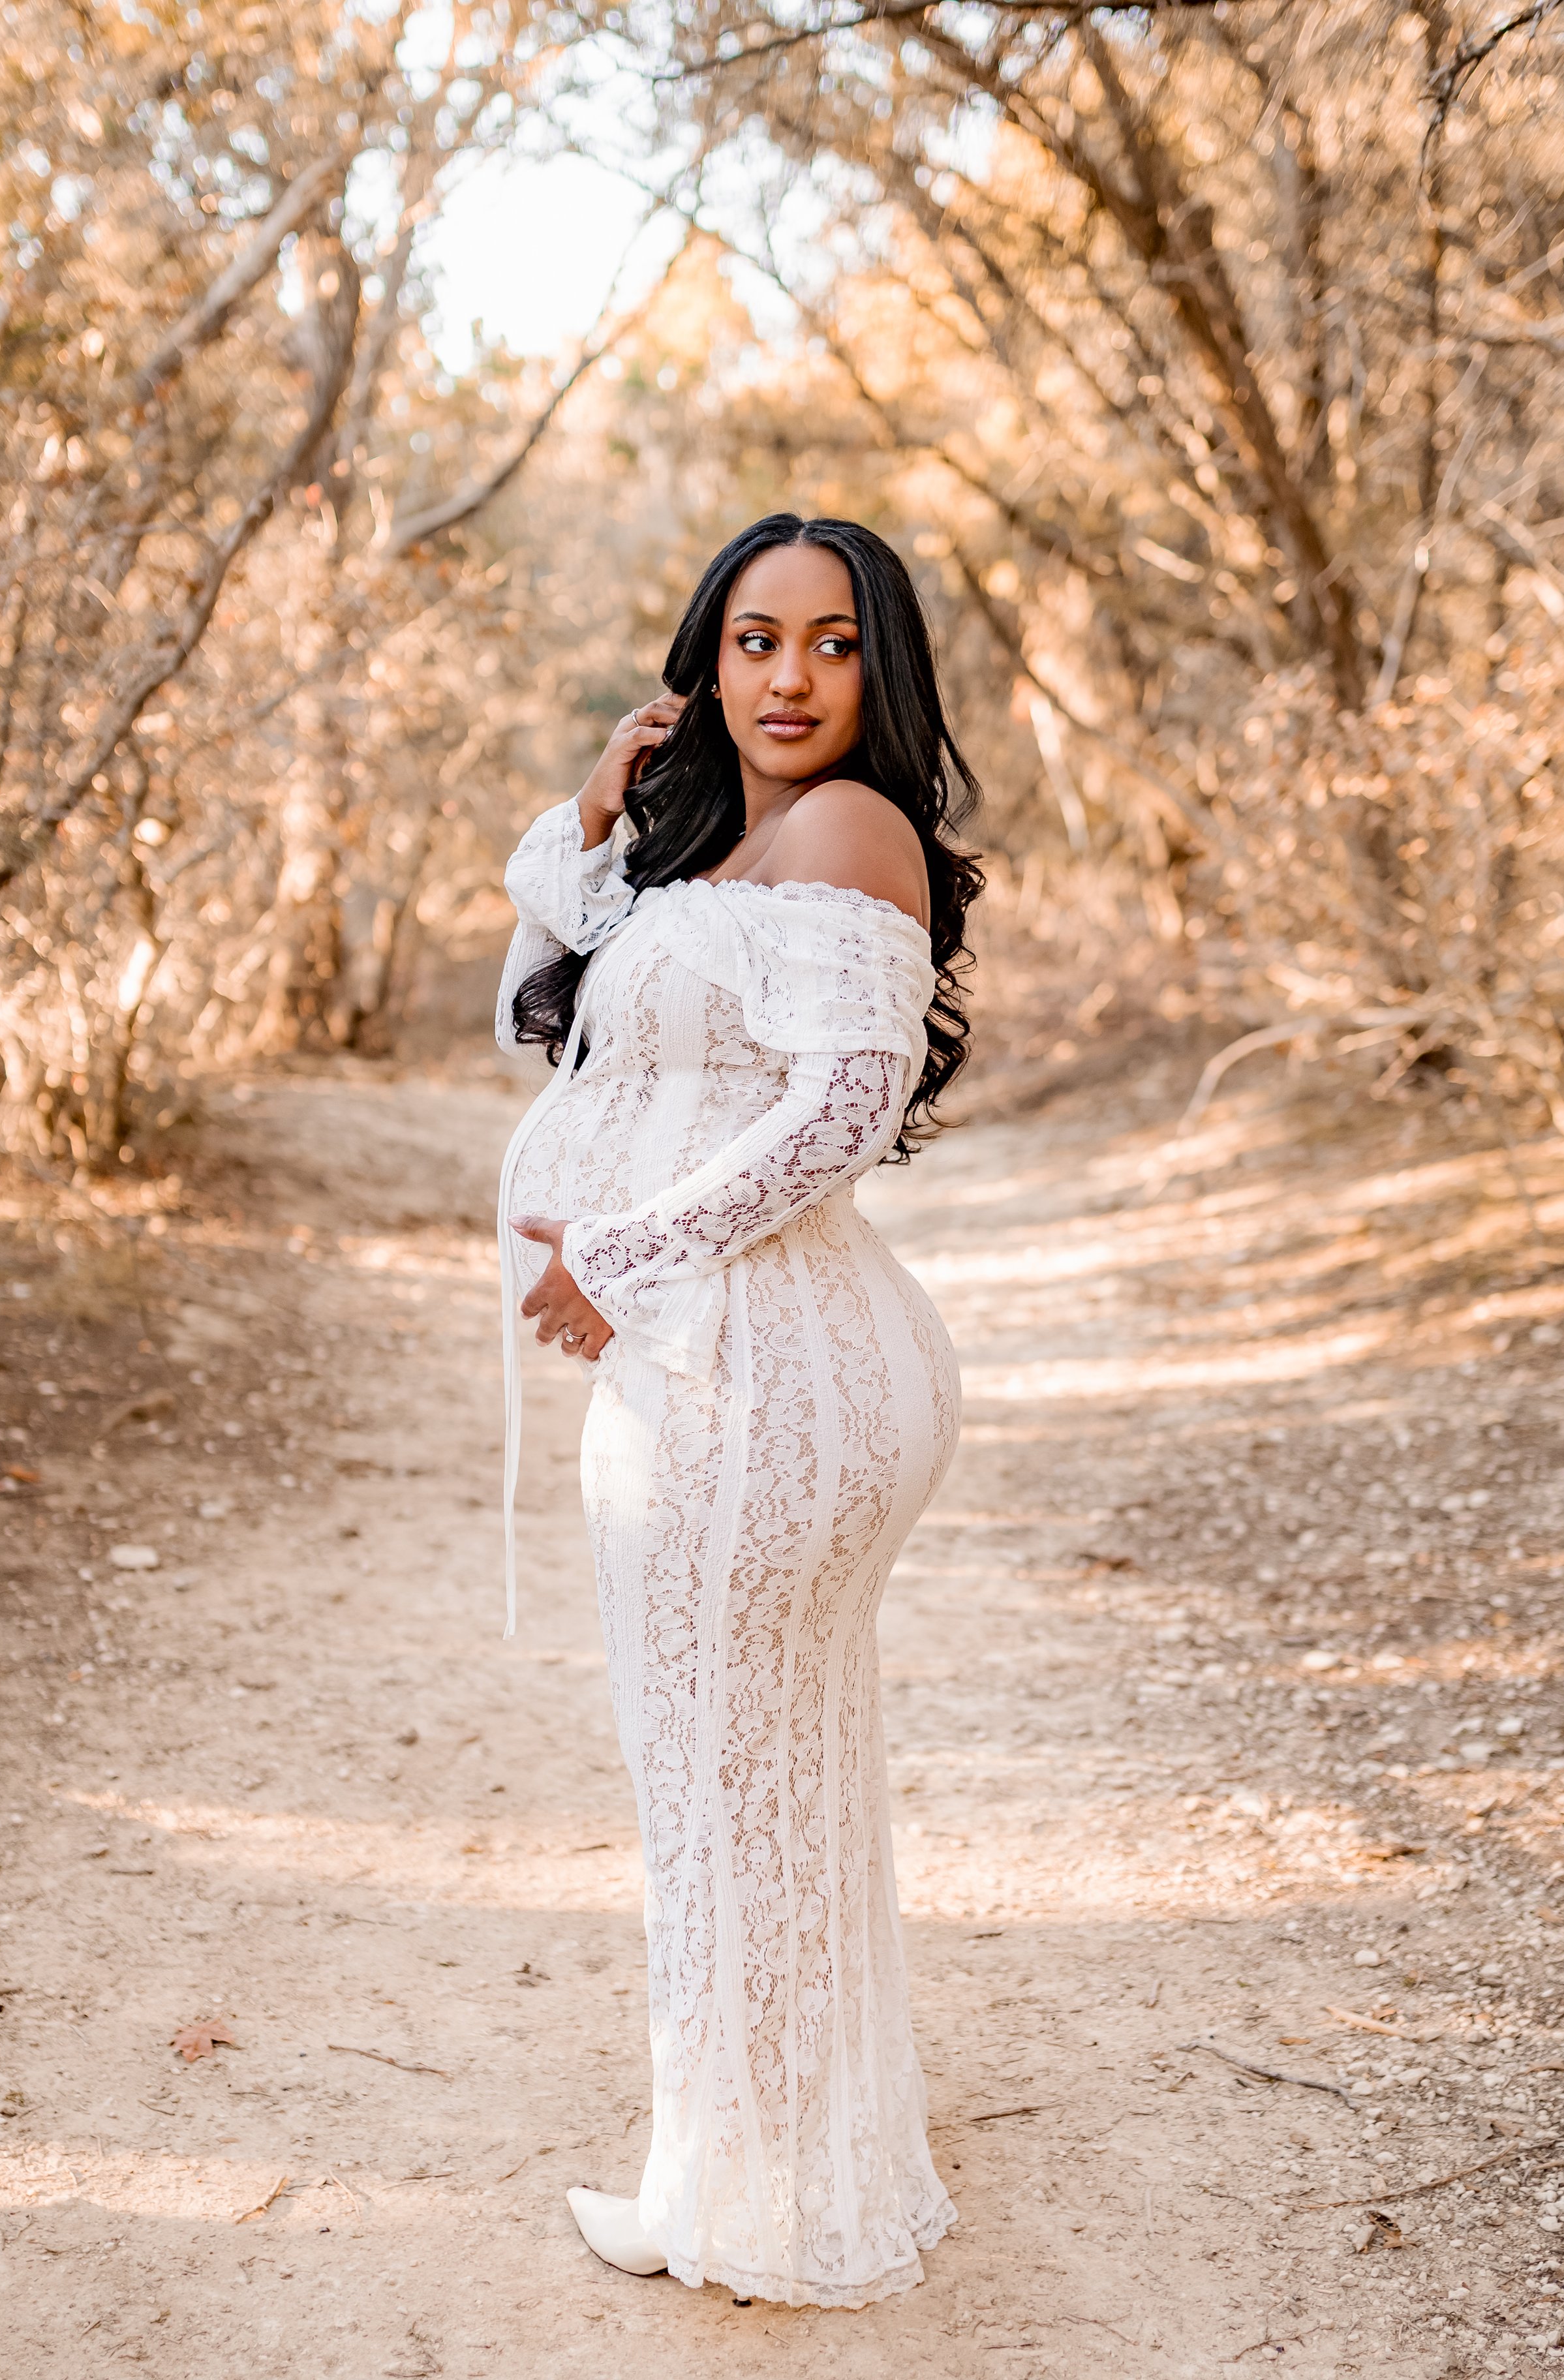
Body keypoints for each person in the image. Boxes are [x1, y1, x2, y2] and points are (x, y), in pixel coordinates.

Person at [494, 512, 984, 2310]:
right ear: (704, 662)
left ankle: (750, 2202)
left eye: (834, 643)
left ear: (882, 666)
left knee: (722, 1783)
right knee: (753, 1775)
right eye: (755, 641)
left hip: (760, 1368)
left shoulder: (851, 831)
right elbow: (543, 1013)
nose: (791, 679)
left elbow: (844, 1107)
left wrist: (619, 1257)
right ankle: (784, 2167)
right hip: (732, 1358)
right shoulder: (726, 844)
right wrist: (597, 814)